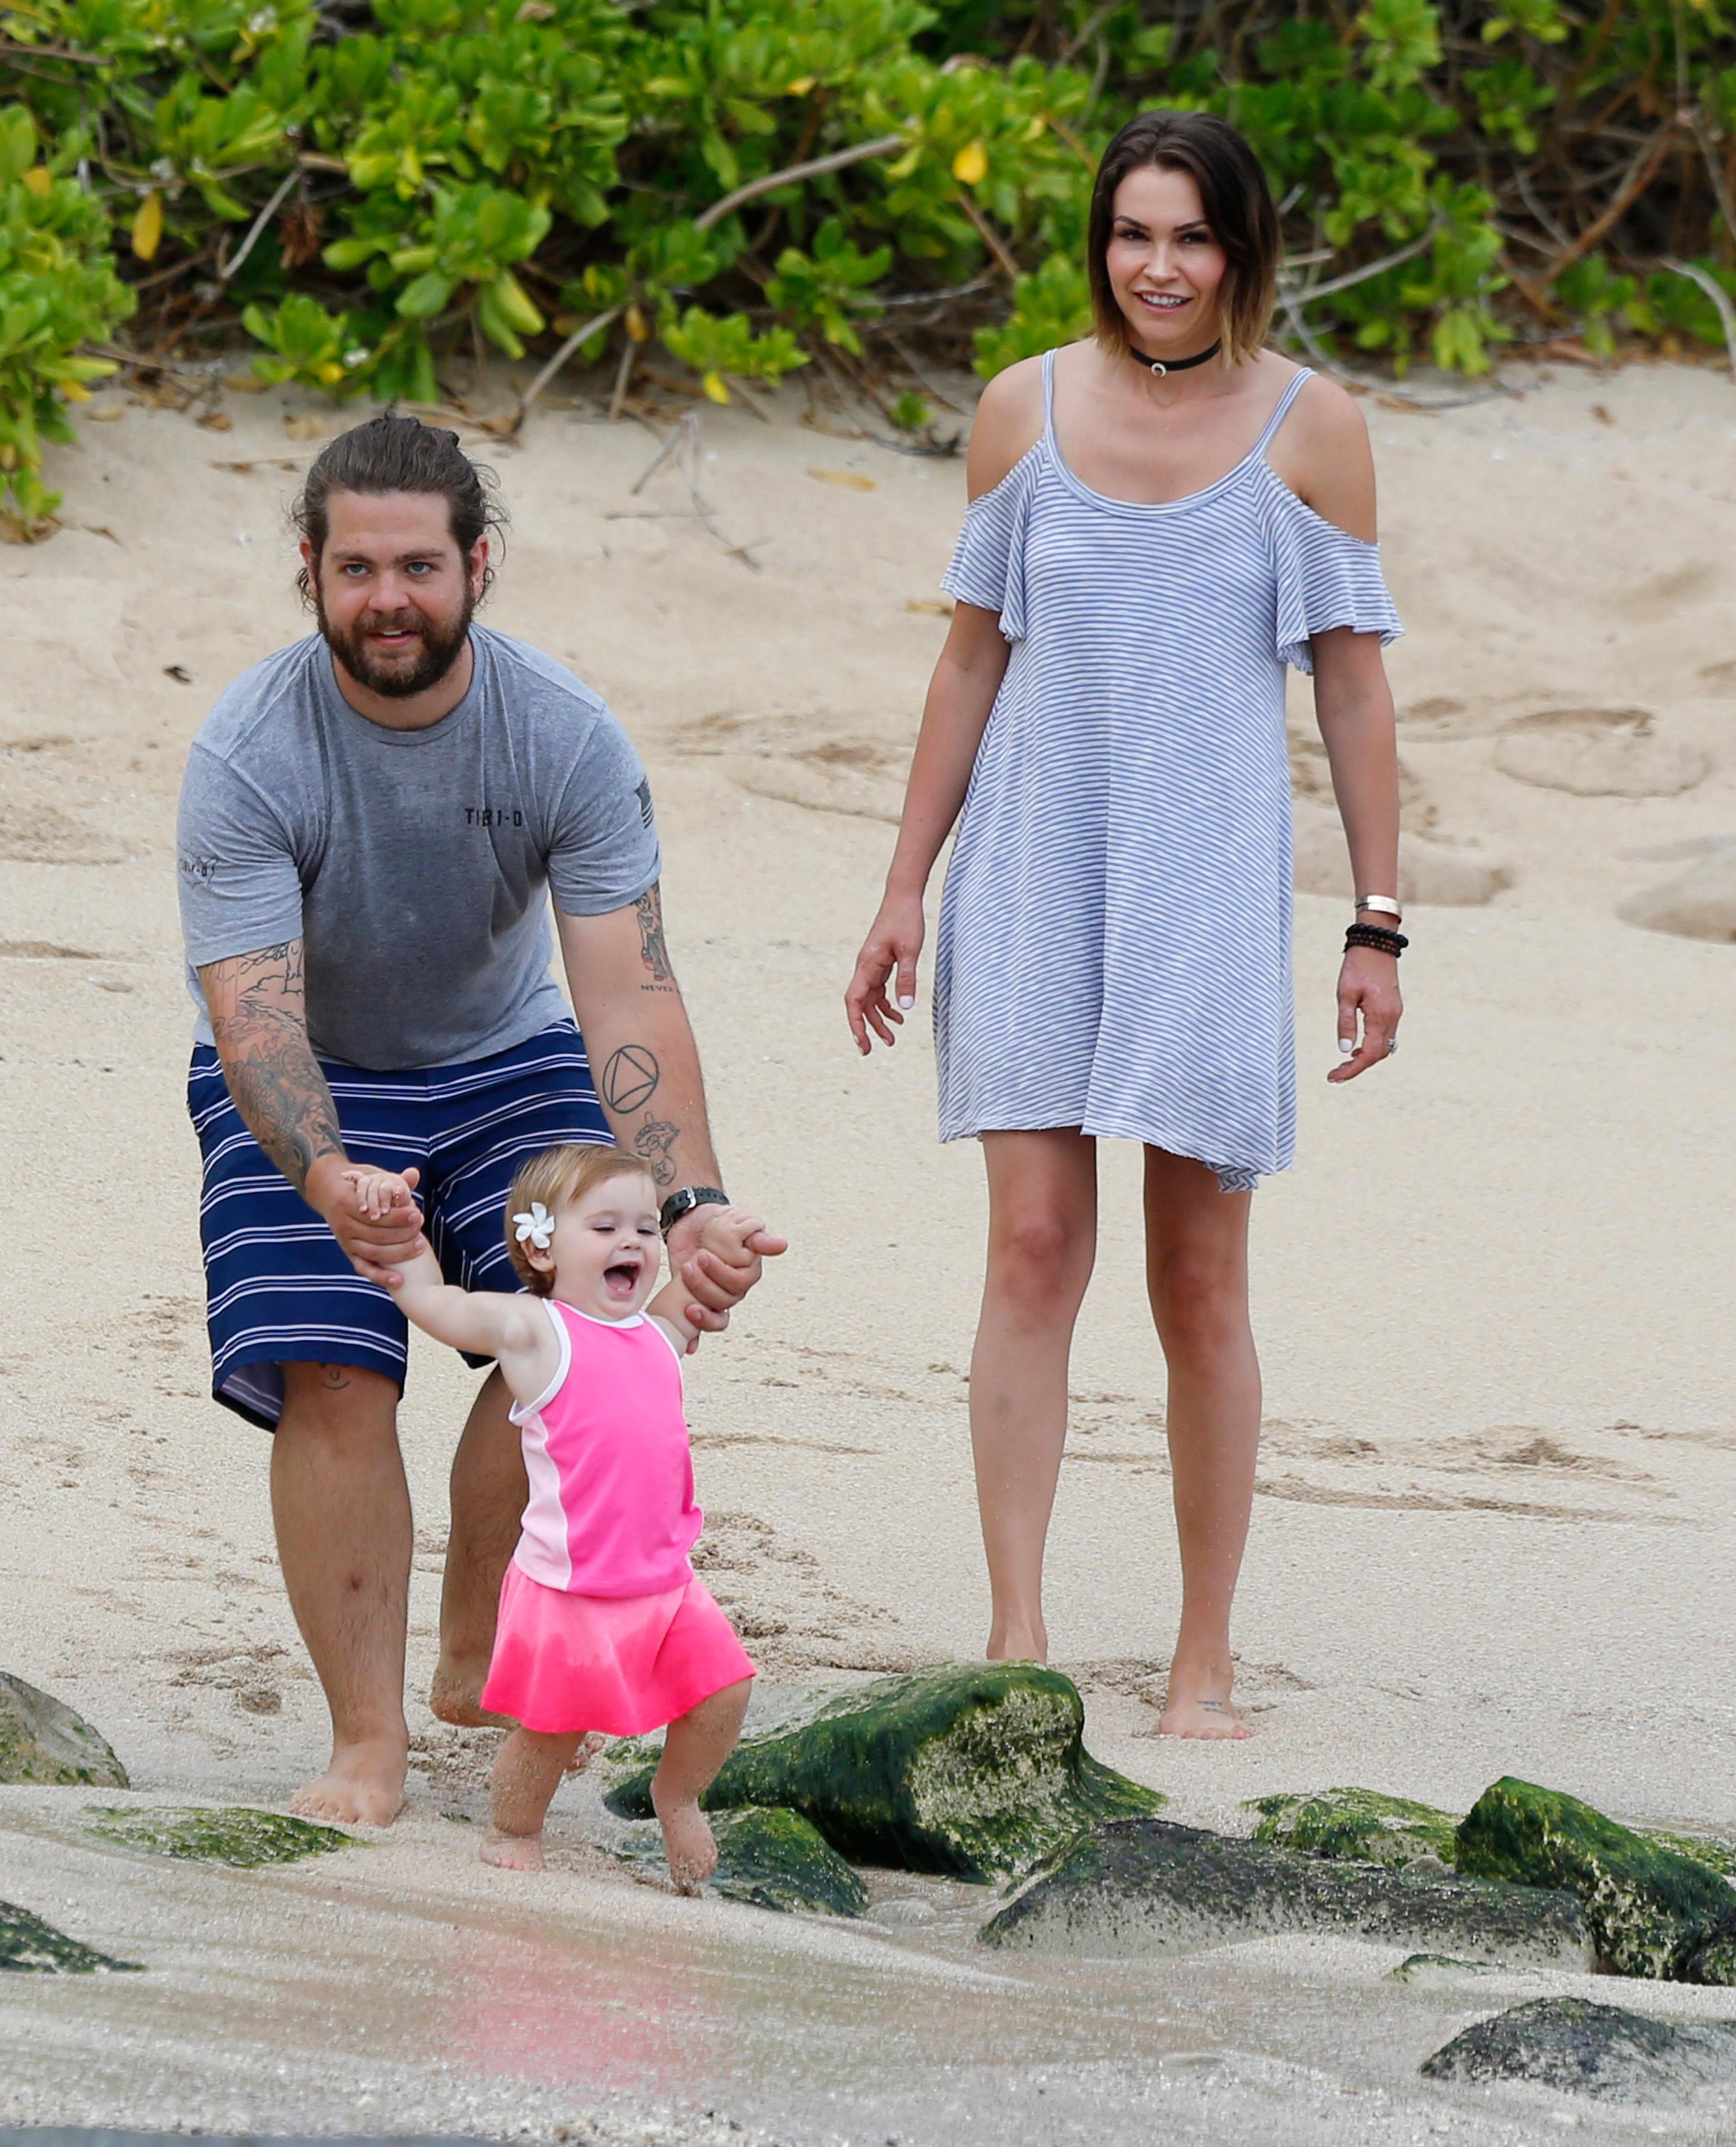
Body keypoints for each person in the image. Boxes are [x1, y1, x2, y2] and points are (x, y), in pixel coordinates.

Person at [842, 110, 1406, 1739]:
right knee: (1029, 1245)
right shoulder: (1022, 409)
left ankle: (1202, 1657)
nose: (1158, 268)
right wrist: (902, 888)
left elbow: (1357, 693)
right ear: (1101, 245)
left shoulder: (1317, 430)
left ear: (1243, 251)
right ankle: (1018, 1638)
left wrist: (1377, 924)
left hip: (1209, 891)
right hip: (1031, 869)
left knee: (1200, 1278)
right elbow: (971, 656)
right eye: (1132, 234)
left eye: (1193, 238)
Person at [177, 413, 786, 1826]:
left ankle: (475, 1631)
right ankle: (364, 1742)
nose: (385, 597)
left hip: (505, 1060)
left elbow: (628, 994)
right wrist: (326, 1169)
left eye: (416, 565)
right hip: (307, 1072)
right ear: (312, 576)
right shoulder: (250, 750)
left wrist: (689, 1200)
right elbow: (254, 1013)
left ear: (477, 565)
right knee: (334, 1370)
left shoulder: (562, 735)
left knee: (579, 1331)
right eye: (353, 569)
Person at [350, 1143, 754, 1889]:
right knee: (551, 1728)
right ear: (541, 1244)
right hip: (568, 1587)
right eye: (604, 1228)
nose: (630, 1242)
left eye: (642, 1228)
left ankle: (679, 1795)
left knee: (726, 1690)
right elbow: (436, 1304)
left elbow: (705, 1285)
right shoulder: (538, 1332)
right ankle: (513, 1829)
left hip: (665, 1582)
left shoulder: (658, 1333)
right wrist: (400, 1231)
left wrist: (727, 1238)